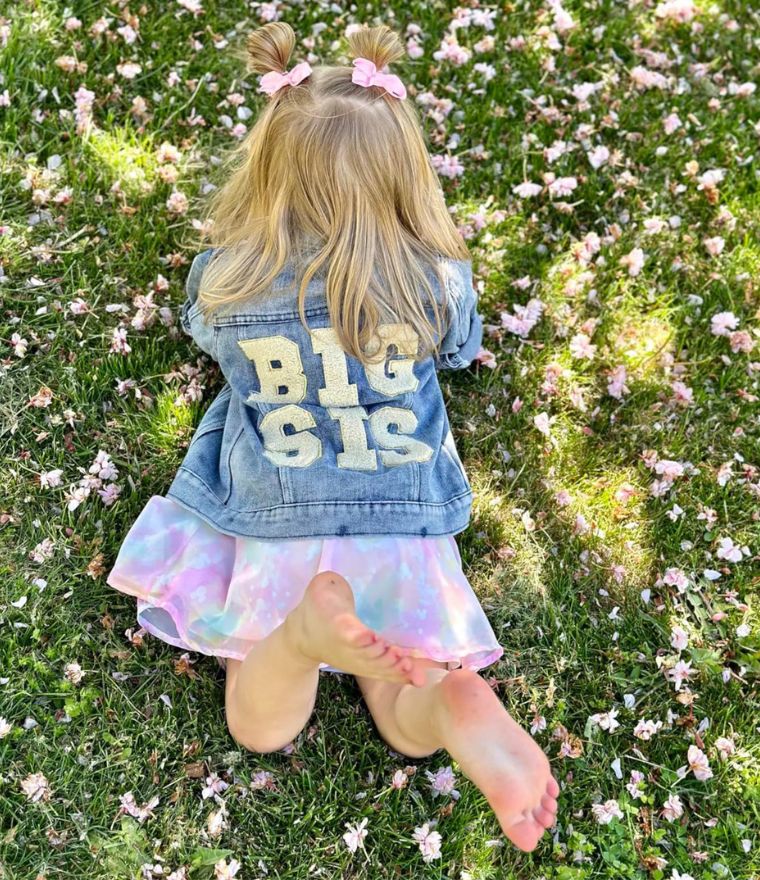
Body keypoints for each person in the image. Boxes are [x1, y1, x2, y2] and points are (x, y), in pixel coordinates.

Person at [106, 22, 558, 852]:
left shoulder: (229, 280)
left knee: (261, 727)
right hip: (401, 532)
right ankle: (450, 707)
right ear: (408, 180)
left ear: (265, 171)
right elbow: (461, 348)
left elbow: (199, 326)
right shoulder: (431, 282)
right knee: (406, 708)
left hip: (273, 526)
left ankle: (301, 638)